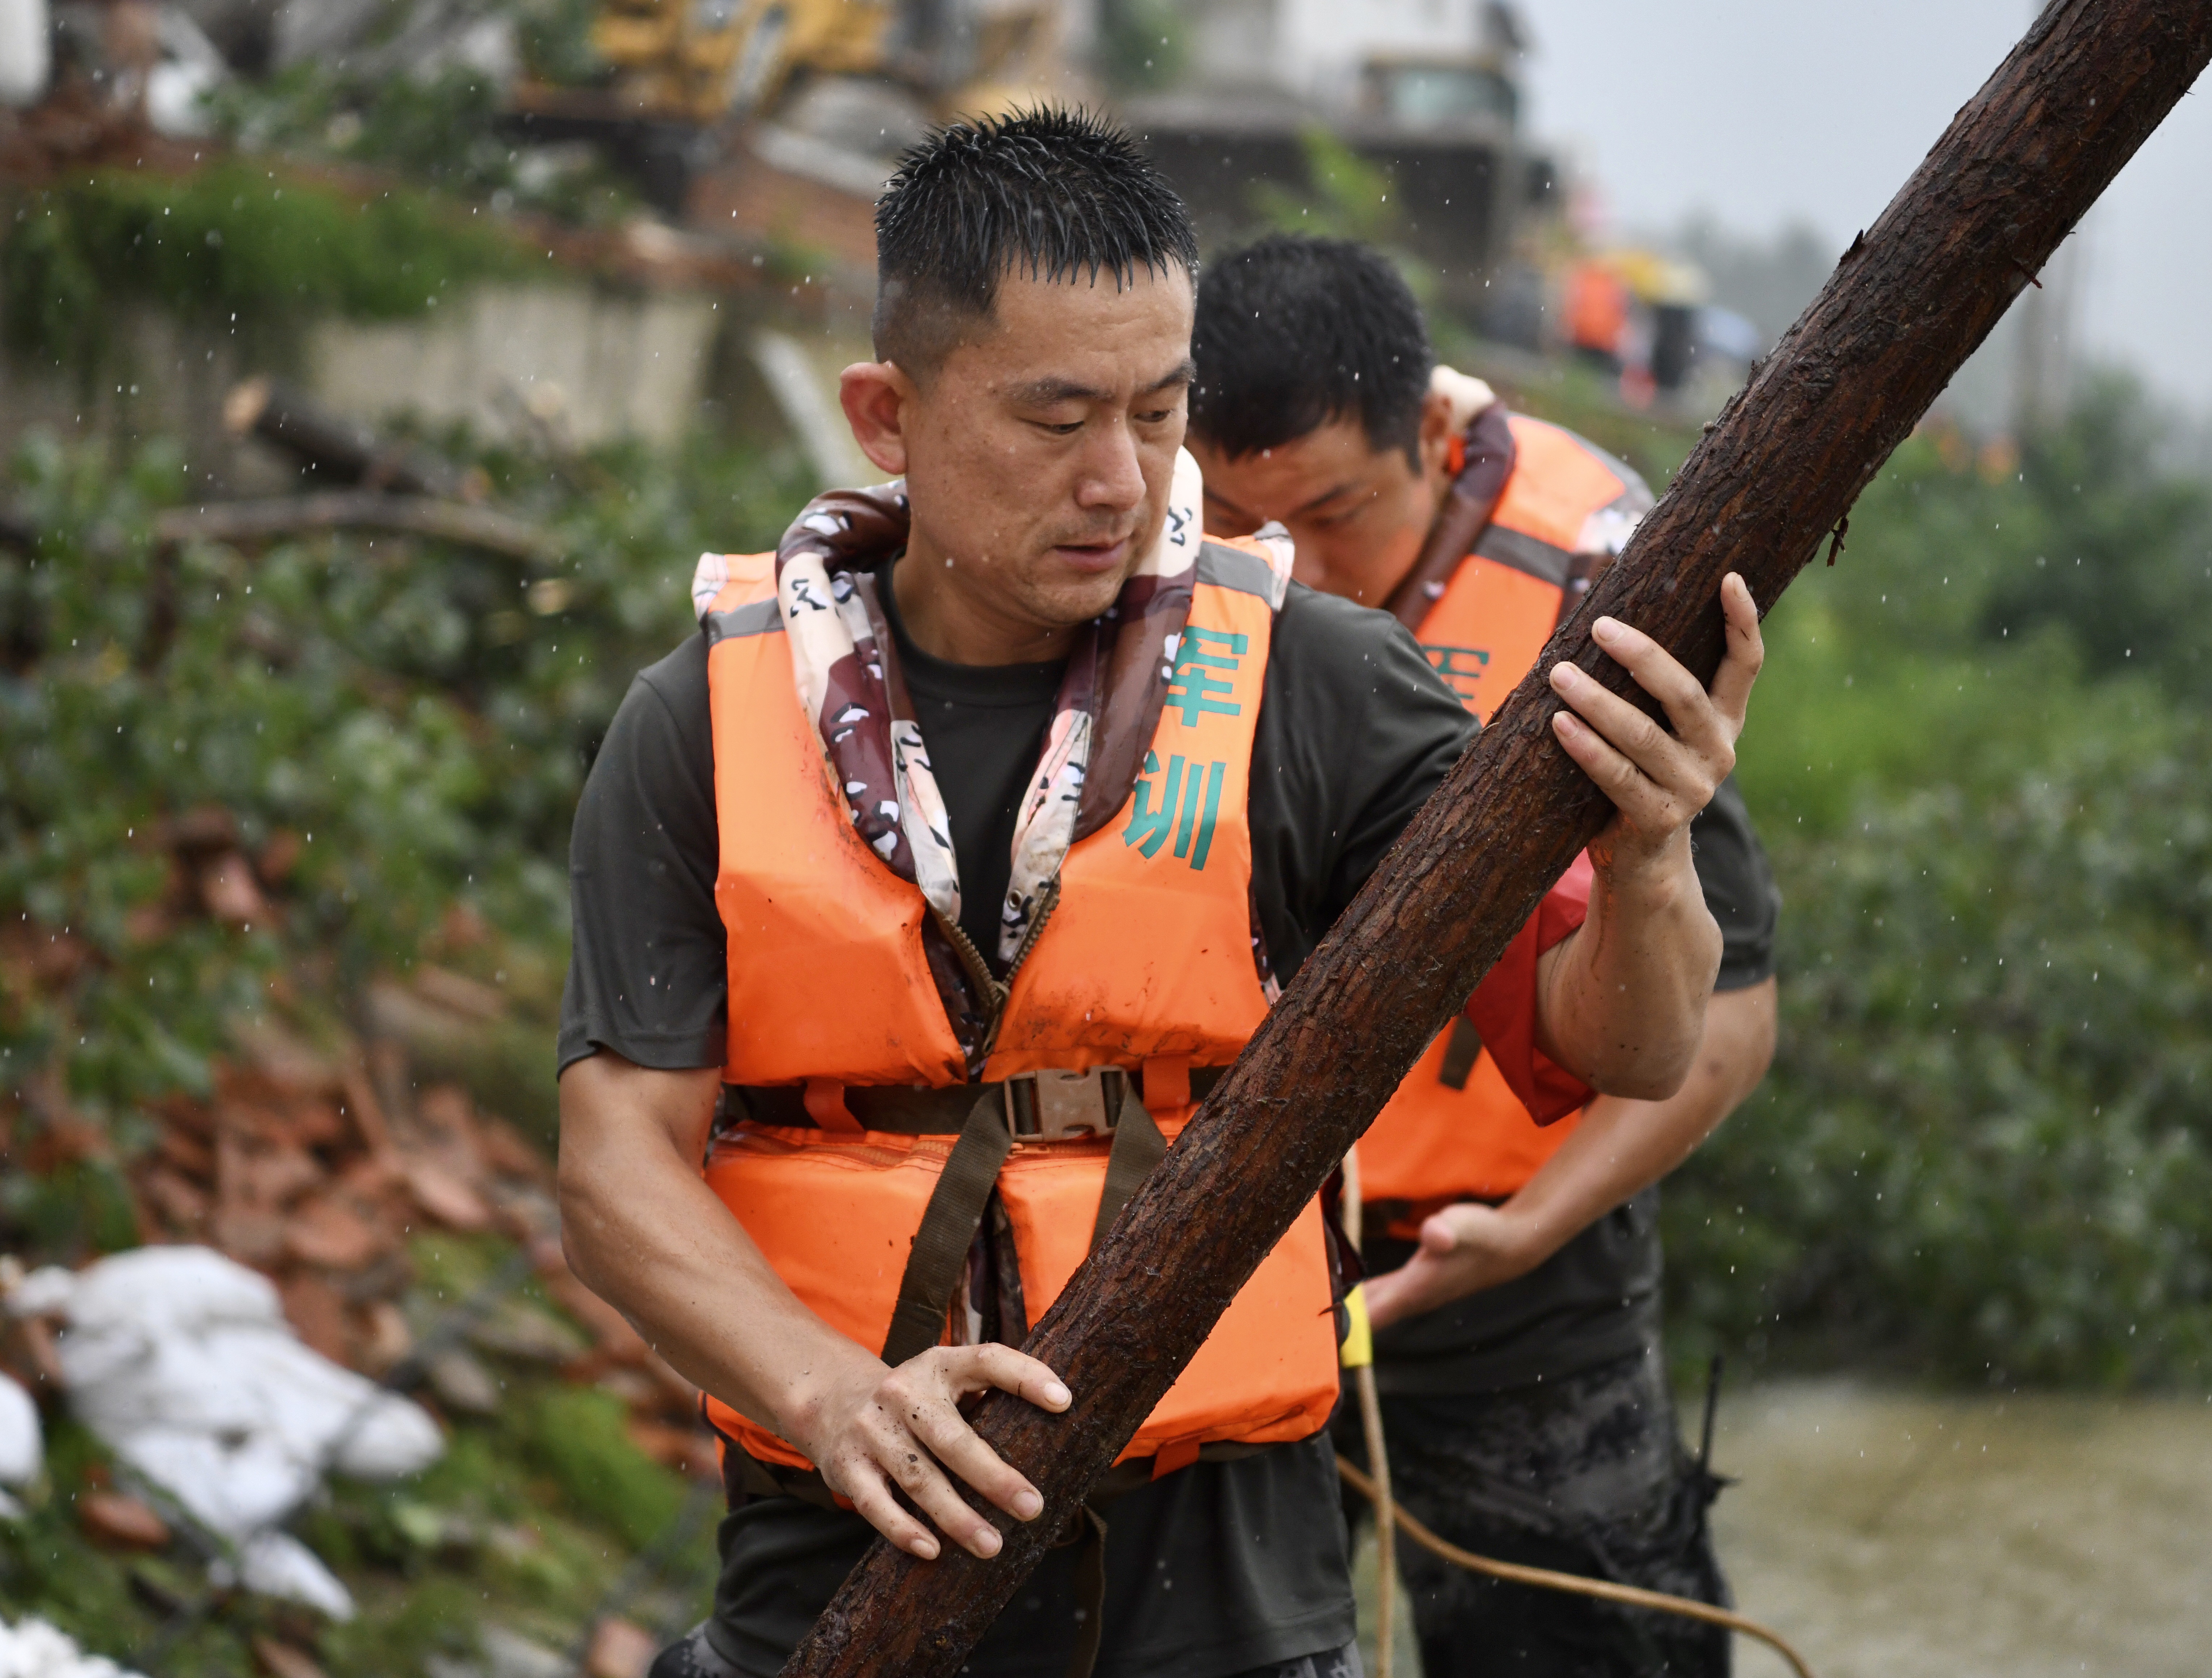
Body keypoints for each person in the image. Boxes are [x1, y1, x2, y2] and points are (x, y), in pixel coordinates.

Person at [555, 112, 1763, 1678]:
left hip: (1230, 1600)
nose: (1120, 481)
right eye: (1054, 419)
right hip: (838, 1561)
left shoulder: (1319, 687)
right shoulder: (708, 721)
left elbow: (1627, 1041)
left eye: (1157, 409)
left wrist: (1650, 855)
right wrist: (828, 1390)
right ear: (887, 415)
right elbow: (613, 1165)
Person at [1188, 233, 1781, 1678]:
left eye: (1335, 515)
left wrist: (1529, 1227)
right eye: (1243, 520)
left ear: (1436, 433)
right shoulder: (1161, 590)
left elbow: (1729, 1017)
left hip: (1518, 1274)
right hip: (1218, 1266)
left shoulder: (1602, 586)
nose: (1297, 571)